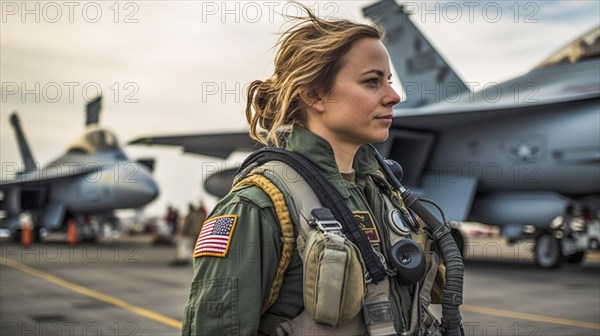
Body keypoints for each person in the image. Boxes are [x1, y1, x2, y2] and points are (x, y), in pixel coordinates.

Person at [182, 5, 450, 336]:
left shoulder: (383, 194)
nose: (394, 96)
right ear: (314, 94)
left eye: (389, 82)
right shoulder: (259, 208)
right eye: (372, 82)